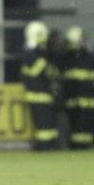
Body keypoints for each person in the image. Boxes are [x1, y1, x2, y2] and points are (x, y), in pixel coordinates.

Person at [21, 20, 60, 150]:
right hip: (38, 96)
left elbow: (52, 72)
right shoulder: (31, 54)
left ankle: (50, 147)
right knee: (44, 126)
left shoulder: (39, 53)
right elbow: (36, 72)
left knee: (49, 126)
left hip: (45, 95)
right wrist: (44, 57)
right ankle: (44, 148)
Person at [58, 26, 93, 149]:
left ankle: (85, 149)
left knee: (87, 130)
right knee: (77, 131)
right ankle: (77, 149)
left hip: (89, 102)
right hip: (76, 103)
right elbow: (68, 84)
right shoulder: (67, 58)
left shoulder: (88, 57)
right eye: (81, 40)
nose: (83, 42)